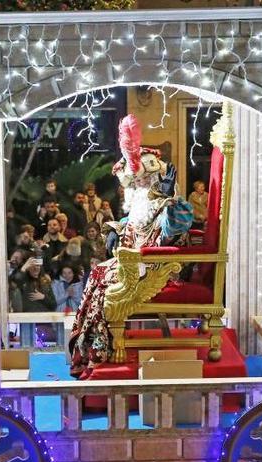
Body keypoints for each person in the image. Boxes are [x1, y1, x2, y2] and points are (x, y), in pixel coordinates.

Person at [69, 115, 194, 374]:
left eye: (144, 181)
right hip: (133, 261)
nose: (139, 185)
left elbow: (176, 227)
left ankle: (100, 348)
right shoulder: (139, 204)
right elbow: (131, 221)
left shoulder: (166, 204)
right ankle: (90, 347)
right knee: (97, 273)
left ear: (155, 179)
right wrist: (116, 228)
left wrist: (169, 196)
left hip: (154, 267)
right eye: (135, 182)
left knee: (104, 282)